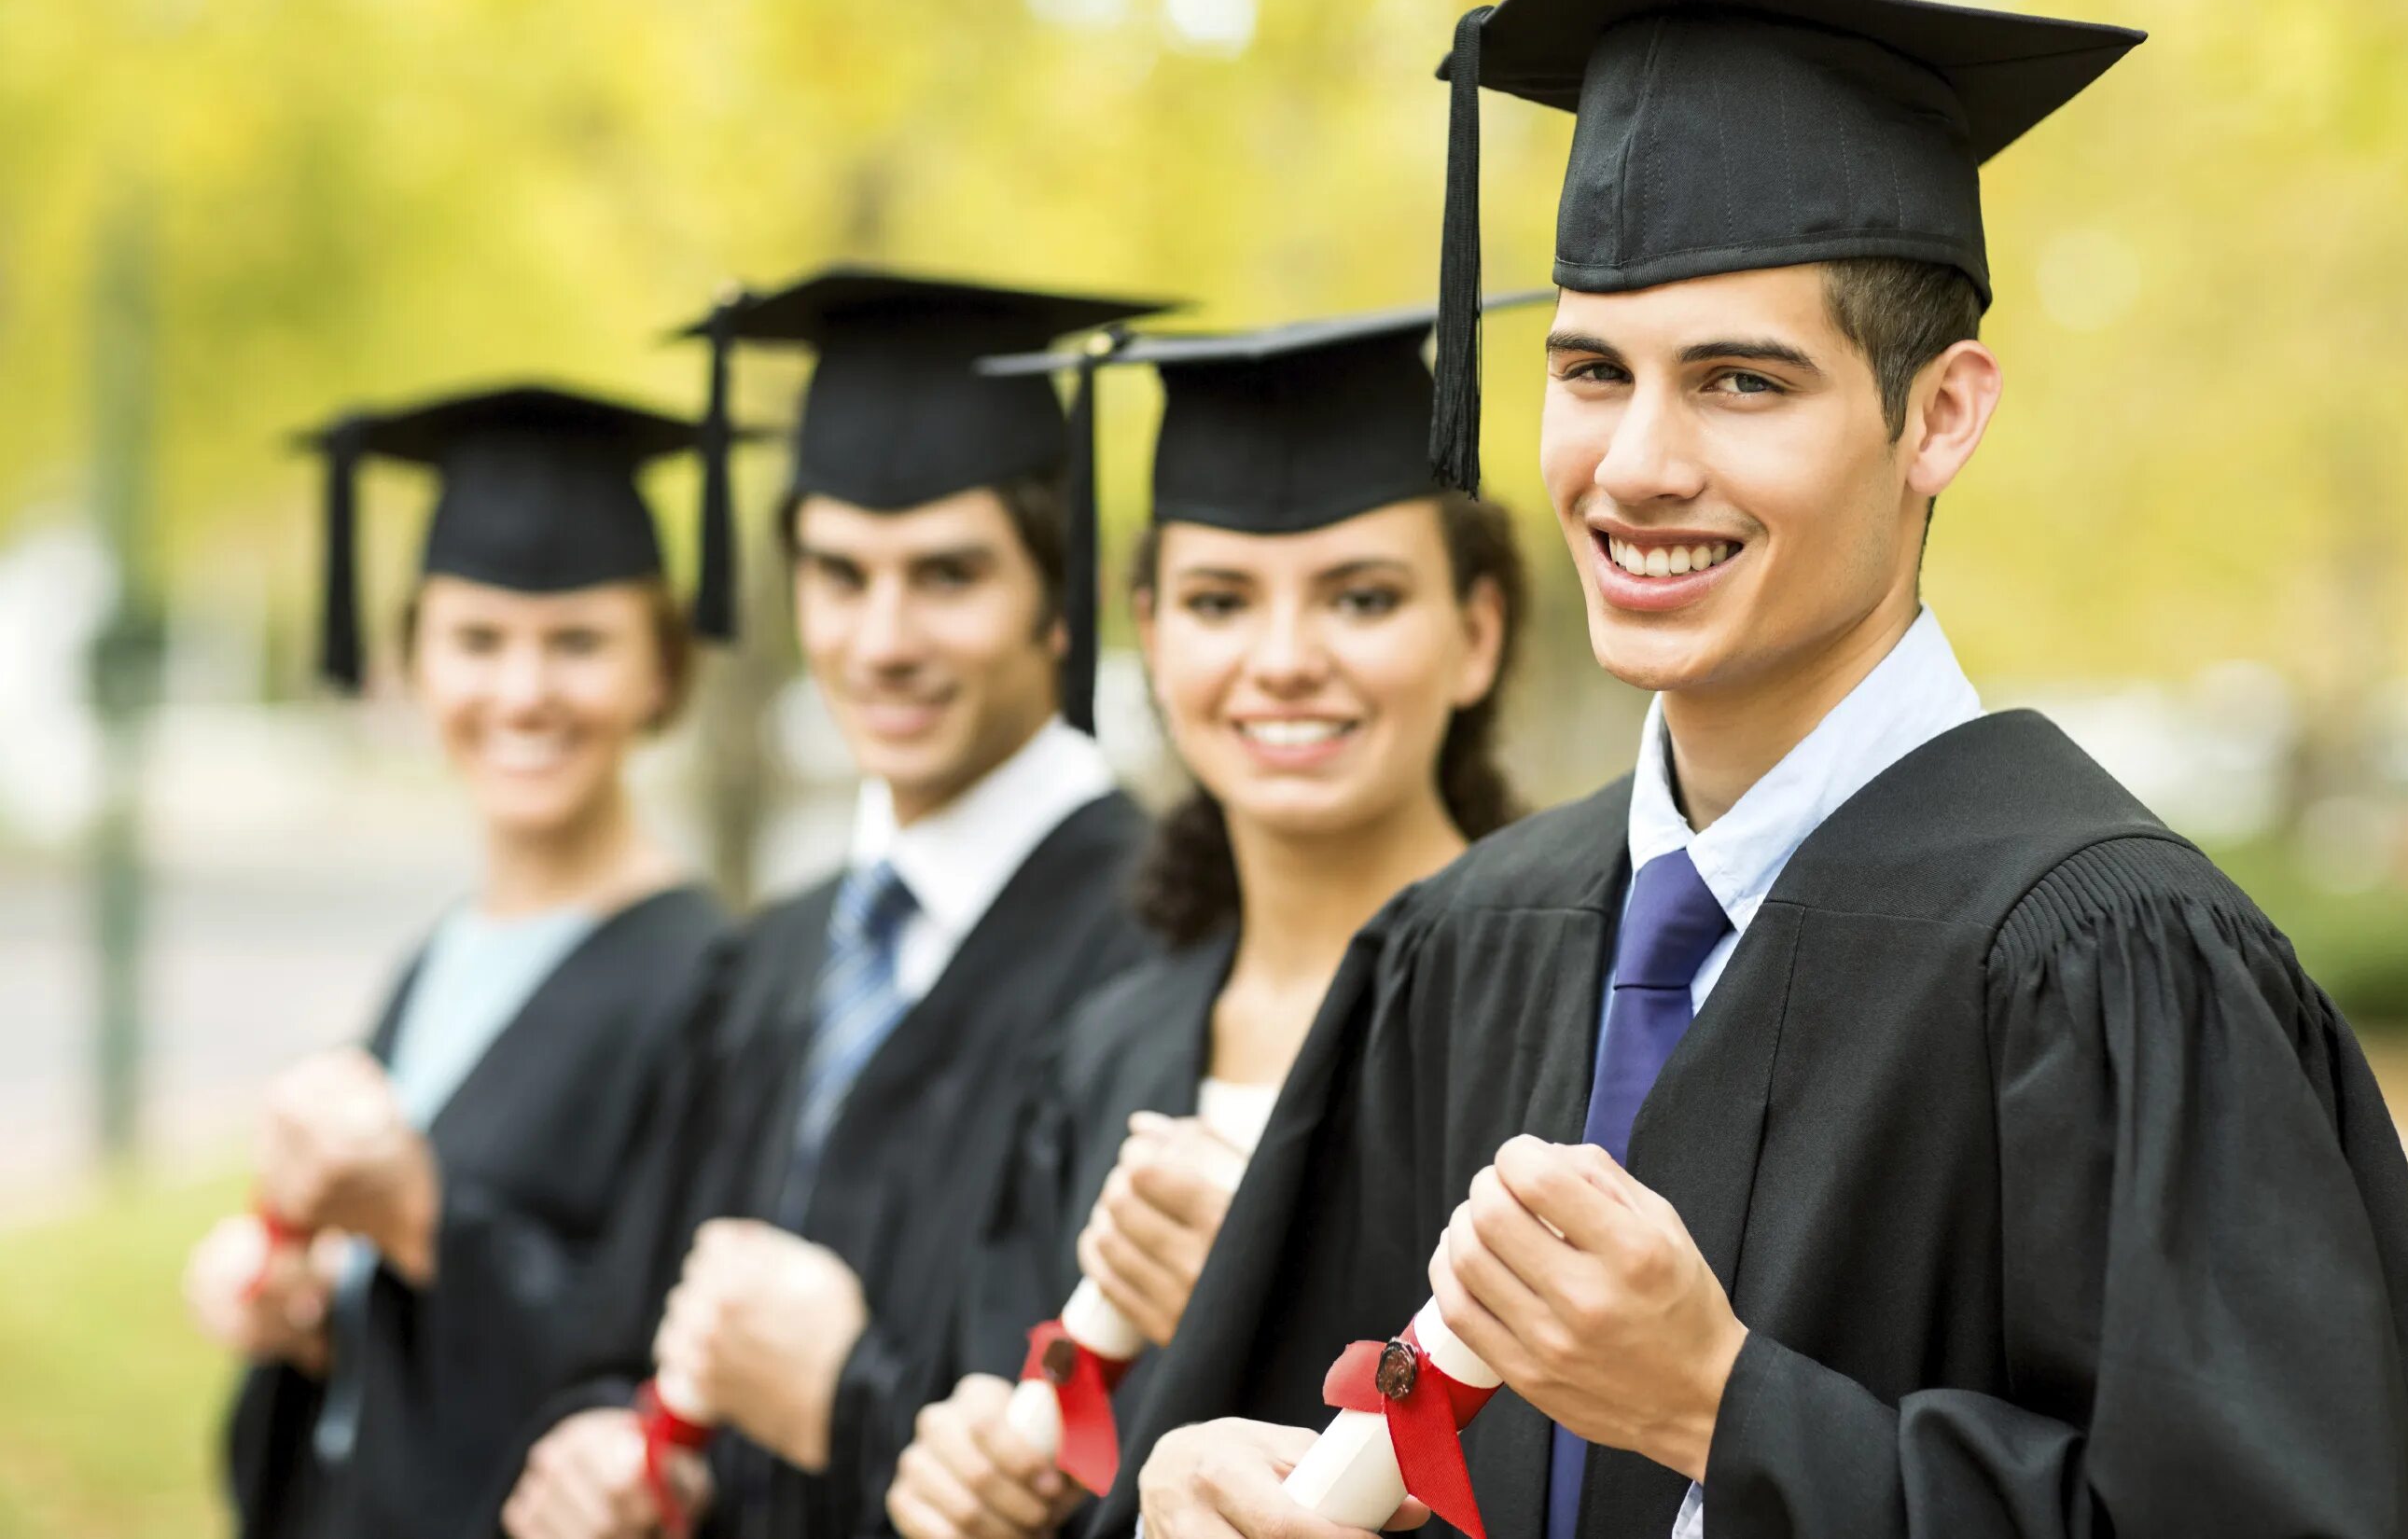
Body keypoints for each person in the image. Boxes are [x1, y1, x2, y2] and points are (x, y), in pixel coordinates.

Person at [1122, 0, 2408, 1539]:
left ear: (1942, 413)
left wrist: (1719, 1411)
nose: (1632, 465)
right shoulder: (1461, 950)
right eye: (1588, 371)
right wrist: (1217, 1480)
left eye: (1740, 383)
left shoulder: (2108, 969)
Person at [495, 270, 1168, 1539]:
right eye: (839, 574)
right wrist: (600, 1435)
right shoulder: (772, 957)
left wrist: (848, 1395)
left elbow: (1138, 1441)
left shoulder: (1163, 945)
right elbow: (621, 1328)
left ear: (1055, 591)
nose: (881, 638)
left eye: (947, 574)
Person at [884, 307, 1532, 1539]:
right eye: (1220, 599)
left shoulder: (1559, 1012)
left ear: (1477, 633)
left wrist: (1255, 1294)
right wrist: (974, 1471)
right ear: (1154, 635)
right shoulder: (1104, 1046)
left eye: (1361, 596)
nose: (1282, 659)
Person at [182, 385, 738, 1539]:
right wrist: (309, 1309)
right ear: (414, 662)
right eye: (477, 640)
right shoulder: (438, 955)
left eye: (577, 642)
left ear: (660, 670)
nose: (522, 692)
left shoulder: (709, 984)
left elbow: (663, 1358)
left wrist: (424, 1215)